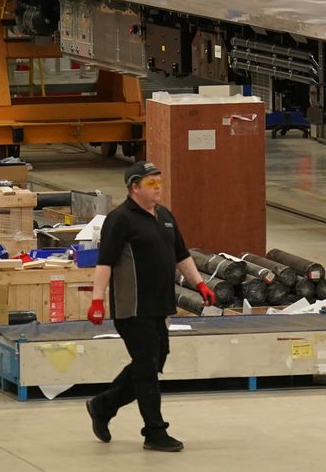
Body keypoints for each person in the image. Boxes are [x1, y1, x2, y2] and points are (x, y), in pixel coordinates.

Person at [85, 162, 217, 451]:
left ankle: (102, 405)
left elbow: (182, 255)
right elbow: (105, 262)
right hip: (132, 308)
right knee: (146, 367)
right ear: (134, 187)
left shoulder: (165, 216)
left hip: (160, 305)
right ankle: (154, 432)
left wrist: (200, 284)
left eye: (159, 182)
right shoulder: (120, 219)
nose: (158, 187)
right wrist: (97, 300)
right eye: (151, 183)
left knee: (155, 361)